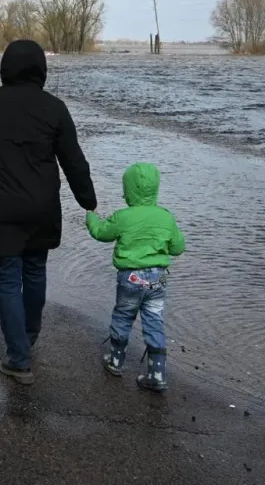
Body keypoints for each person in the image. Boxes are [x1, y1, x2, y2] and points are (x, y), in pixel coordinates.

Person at [0, 39, 97, 385]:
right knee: (34, 270)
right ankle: (28, 339)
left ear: (6, 68)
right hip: (41, 206)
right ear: (41, 70)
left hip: (0, 205)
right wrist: (88, 200)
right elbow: (73, 160)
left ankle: (19, 358)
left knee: (7, 277)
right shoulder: (54, 107)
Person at [85, 162, 186, 392]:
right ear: (155, 189)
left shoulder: (123, 216)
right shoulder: (165, 217)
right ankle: (157, 372)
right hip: (158, 279)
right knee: (154, 321)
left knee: (123, 316)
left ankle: (115, 360)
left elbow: (102, 233)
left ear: (128, 190)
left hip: (130, 278)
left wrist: (91, 217)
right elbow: (178, 247)